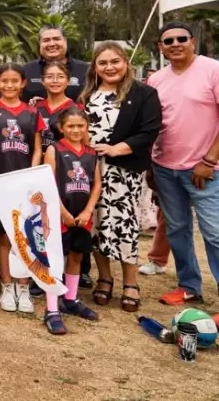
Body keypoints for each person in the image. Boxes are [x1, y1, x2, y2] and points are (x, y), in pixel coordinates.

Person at [80, 42, 161, 313]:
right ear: (95, 67)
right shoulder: (87, 94)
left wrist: (117, 149)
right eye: (102, 63)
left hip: (124, 171)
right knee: (95, 224)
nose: (109, 67)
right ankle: (104, 277)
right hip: (91, 169)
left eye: (115, 61)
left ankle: (130, 282)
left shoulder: (144, 93)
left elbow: (149, 131)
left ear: (126, 62)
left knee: (125, 226)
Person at [147, 22, 219, 306]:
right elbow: (153, 125)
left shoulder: (212, 69)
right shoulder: (157, 80)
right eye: (168, 41)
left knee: (214, 233)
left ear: (192, 41)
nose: (175, 44)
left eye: (181, 39)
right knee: (177, 229)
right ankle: (189, 285)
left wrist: (210, 159)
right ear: (160, 47)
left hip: (204, 169)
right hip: (165, 168)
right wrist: (151, 166)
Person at [0, 63, 45, 314]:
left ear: (23, 83)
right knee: (4, 236)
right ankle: (7, 285)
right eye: (4, 81)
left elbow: (37, 147)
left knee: (25, 237)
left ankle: (23, 286)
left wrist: (30, 174)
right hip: (0, 183)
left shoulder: (32, 113)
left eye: (14, 81)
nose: (9, 85)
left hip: (25, 184)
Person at [43, 107, 101, 334]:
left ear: (87, 127)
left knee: (76, 256)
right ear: (61, 128)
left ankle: (70, 299)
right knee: (55, 260)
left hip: (82, 215)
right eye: (71, 126)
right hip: (61, 214)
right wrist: (62, 212)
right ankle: (51, 309)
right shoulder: (54, 149)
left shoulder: (91, 153)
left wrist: (88, 211)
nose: (76, 130)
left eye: (80, 126)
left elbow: (96, 184)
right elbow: (48, 183)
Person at [37, 60, 92, 289]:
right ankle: (43, 273)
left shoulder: (75, 108)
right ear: (42, 81)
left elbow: (86, 147)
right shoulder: (36, 108)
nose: (55, 81)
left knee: (74, 225)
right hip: (41, 169)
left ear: (68, 81)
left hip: (69, 176)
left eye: (60, 76)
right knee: (44, 226)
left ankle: (80, 271)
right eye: (50, 76)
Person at [21, 25, 90, 102]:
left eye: (56, 39)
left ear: (65, 41)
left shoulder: (87, 70)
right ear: (40, 43)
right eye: (46, 40)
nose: (52, 44)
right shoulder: (25, 71)